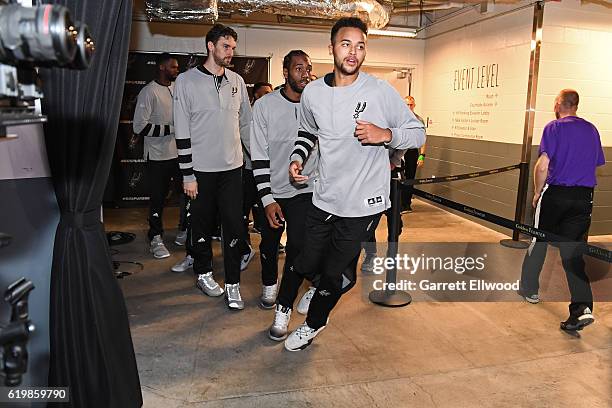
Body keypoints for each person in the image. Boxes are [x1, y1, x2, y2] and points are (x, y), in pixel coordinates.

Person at [281, 17, 426, 351]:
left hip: (363, 203)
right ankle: (314, 291)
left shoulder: (378, 91)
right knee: (305, 261)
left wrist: (386, 135)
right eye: (346, 44)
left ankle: (313, 324)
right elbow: (307, 132)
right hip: (325, 196)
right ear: (331, 48)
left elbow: (417, 131)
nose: (354, 52)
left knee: (335, 272)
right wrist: (297, 158)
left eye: (361, 46)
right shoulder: (314, 92)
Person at [173, 24, 253, 310]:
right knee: (201, 224)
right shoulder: (185, 81)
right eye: (225, 47)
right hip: (201, 171)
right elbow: (181, 129)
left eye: (233, 47)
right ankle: (204, 273)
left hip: (233, 169)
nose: (231, 52)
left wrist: (256, 160)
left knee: (234, 226)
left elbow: (246, 124)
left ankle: (233, 283)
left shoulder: (237, 81)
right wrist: (187, 174)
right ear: (210, 46)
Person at [519, 89, 605, 332]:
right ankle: (581, 308)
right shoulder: (592, 129)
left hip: (556, 193)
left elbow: (543, 165)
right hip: (583, 197)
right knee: (573, 253)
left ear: (558, 104)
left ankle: (529, 289)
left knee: (539, 240)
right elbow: (595, 164)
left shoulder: (554, 127)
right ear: (576, 105)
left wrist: (537, 192)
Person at [249, 50, 319, 339]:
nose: (305, 73)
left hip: (305, 190)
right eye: (298, 68)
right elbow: (259, 155)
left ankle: (284, 306)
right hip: (273, 191)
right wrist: (267, 199)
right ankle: (269, 282)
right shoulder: (265, 106)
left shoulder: (316, 105)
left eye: (308, 68)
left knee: (298, 248)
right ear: (286, 72)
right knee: (269, 243)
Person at [132, 53, 189, 259]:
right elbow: (139, 126)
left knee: (187, 194)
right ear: (162, 68)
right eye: (173, 67)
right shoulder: (148, 91)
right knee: (157, 199)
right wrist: (172, 129)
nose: (177, 70)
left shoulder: (177, 89)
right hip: (157, 156)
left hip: (179, 154)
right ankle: (155, 237)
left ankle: (184, 229)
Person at [242, 82, 274, 240]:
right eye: (266, 92)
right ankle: (243, 243)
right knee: (245, 207)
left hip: (267, 169)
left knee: (265, 205)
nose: (270, 95)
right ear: (256, 95)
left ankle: (269, 237)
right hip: (250, 169)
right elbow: (250, 142)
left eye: (271, 92)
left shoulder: (272, 112)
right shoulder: (251, 113)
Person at [401, 95, 427, 213]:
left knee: (410, 178)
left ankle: (406, 204)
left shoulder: (419, 120)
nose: (409, 107)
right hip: (399, 151)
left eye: (411, 104)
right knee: (398, 178)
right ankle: (395, 203)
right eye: (407, 104)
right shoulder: (398, 118)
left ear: (414, 105)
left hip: (411, 152)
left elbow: (423, 139)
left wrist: (422, 155)